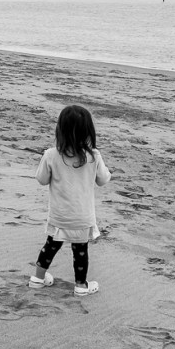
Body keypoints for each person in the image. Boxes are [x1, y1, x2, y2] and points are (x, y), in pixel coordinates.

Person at [29, 105, 111, 296]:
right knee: (80, 250)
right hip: (82, 216)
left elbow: (41, 179)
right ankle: (81, 286)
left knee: (50, 246)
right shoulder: (94, 156)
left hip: (59, 215)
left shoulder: (51, 155)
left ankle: (37, 279)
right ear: (89, 131)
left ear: (60, 129)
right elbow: (103, 180)